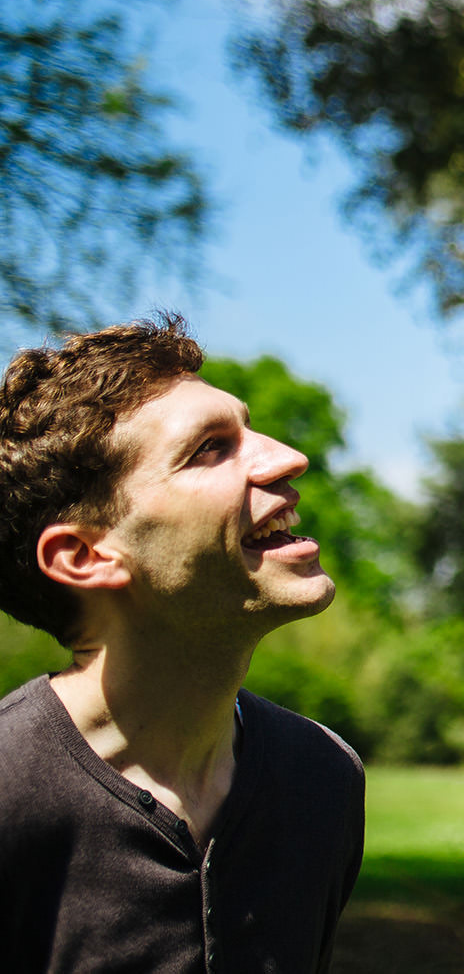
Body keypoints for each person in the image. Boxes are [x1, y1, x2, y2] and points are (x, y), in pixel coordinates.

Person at [0, 319, 365, 973]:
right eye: (209, 449)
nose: (287, 456)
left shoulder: (324, 779)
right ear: (84, 555)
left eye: (248, 429)